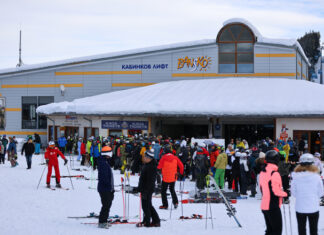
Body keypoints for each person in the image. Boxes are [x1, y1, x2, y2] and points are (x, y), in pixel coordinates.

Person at [291, 153, 324, 235]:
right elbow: (321, 193)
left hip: (300, 207)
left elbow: (293, 193)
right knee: (314, 230)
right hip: (313, 207)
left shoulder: (295, 177)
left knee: (301, 229)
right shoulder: (316, 177)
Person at [259, 150, 287, 235]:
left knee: (270, 230)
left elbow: (261, 188)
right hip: (272, 206)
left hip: (264, 205)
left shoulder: (263, 171)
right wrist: (285, 193)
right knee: (276, 231)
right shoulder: (274, 173)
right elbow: (276, 191)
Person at [137, 149, 160, 227]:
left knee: (146, 206)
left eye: (145, 157)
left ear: (149, 158)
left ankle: (147, 222)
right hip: (144, 189)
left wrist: (145, 191)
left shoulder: (151, 167)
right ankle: (155, 220)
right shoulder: (147, 165)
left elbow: (150, 181)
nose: (144, 158)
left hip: (147, 190)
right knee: (148, 205)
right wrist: (139, 188)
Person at [157, 144, 184, 209]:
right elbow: (181, 166)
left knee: (163, 191)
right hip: (173, 177)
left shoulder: (163, 158)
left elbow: (159, 167)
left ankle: (165, 205)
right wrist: (181, 173)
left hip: (165, 178)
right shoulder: (175, 157)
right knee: (172, 190)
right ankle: (176, 202)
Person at [97, 146, 115, 229]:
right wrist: (109, 187)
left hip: (107, 188)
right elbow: (104, 177)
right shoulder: (103, 163)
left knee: (108, 205)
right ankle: (102, 222)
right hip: (105, 188)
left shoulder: (105, 161)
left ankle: (104, 220)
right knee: (106, 205)